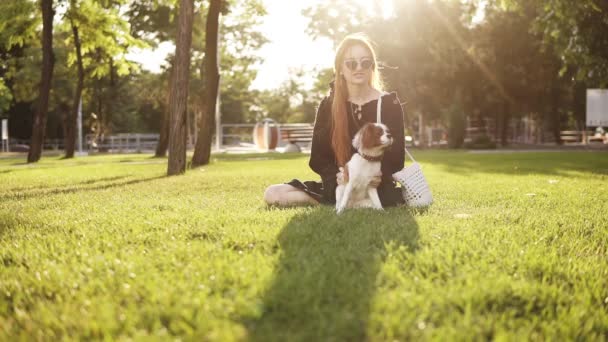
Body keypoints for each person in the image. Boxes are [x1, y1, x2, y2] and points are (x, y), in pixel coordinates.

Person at [264, 33, 405, 207]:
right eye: (351, 63)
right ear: (340, 69)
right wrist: (336, 177)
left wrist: (379, 175)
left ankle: (343, 203)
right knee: (273, 193)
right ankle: (337, 200)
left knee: (382, 193)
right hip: (339, 184)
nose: (358, 68)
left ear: (372, 66)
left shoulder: (389, 103)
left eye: (365, 62)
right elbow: (318, 157)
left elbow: (397, 155)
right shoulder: (328, 105)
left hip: (376, 187)